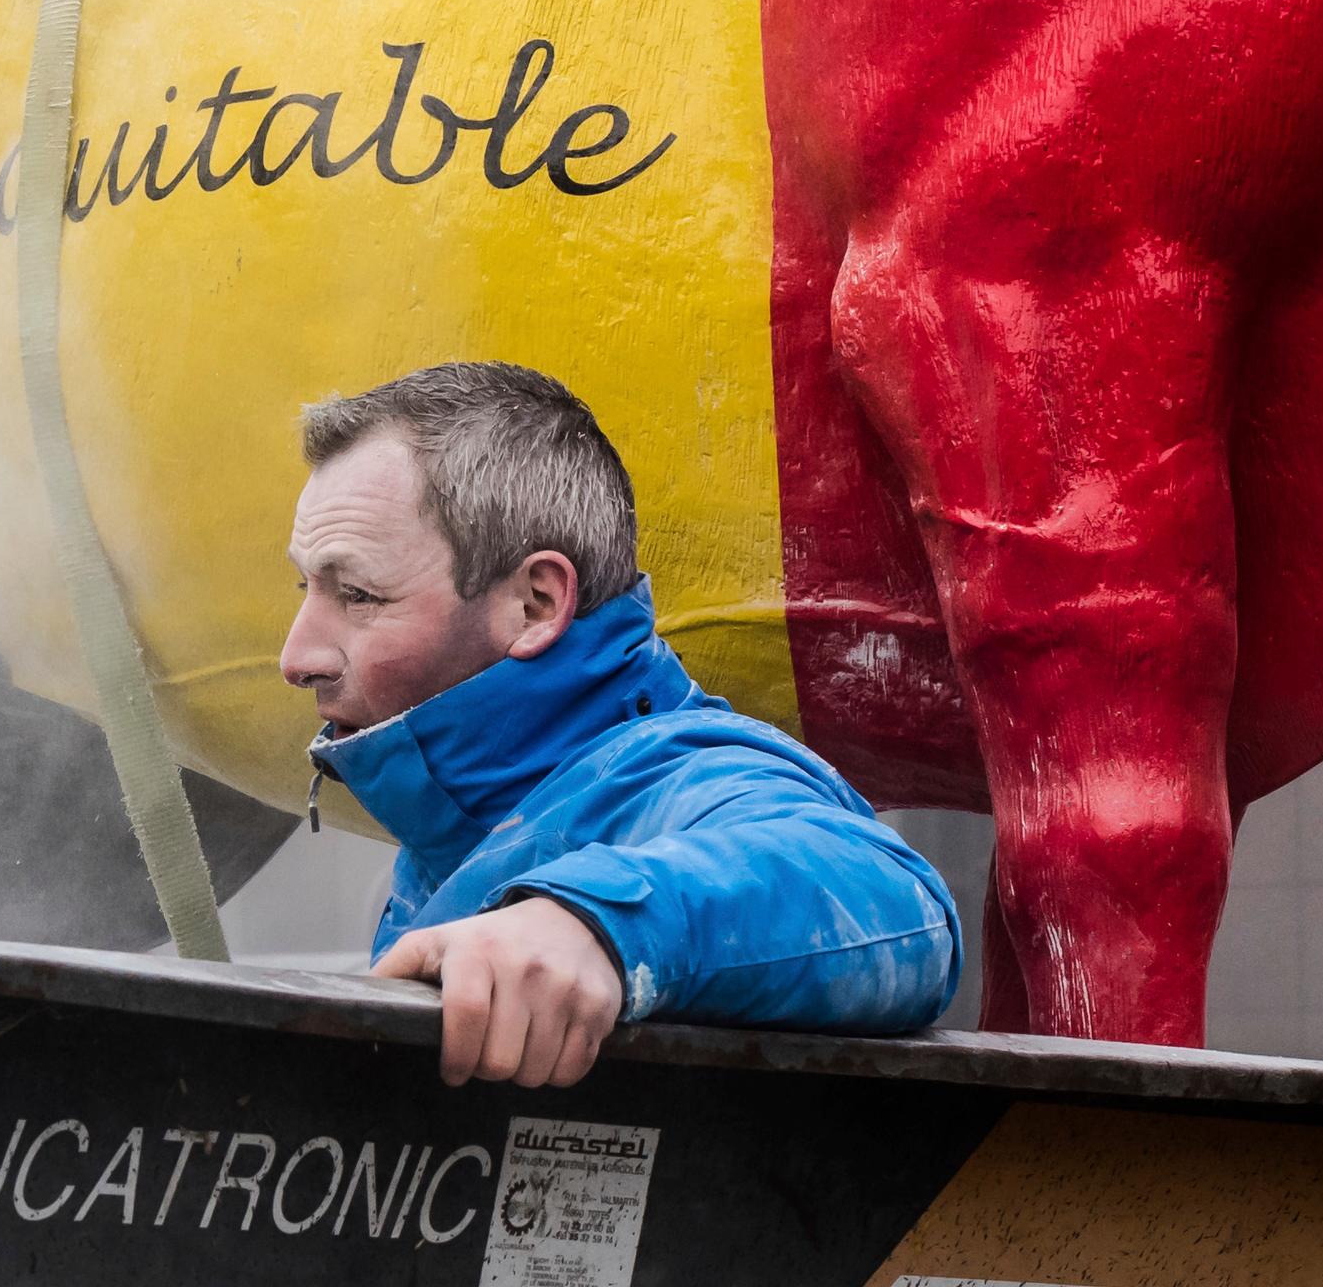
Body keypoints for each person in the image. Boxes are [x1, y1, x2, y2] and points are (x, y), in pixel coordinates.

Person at [280, 360, 962, 1087]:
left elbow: (889, 898)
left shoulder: (684, 776)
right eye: (307, 587)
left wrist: (594, 922)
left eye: (355, 594)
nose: (297, 656)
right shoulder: (457, 825)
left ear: (537, 605)